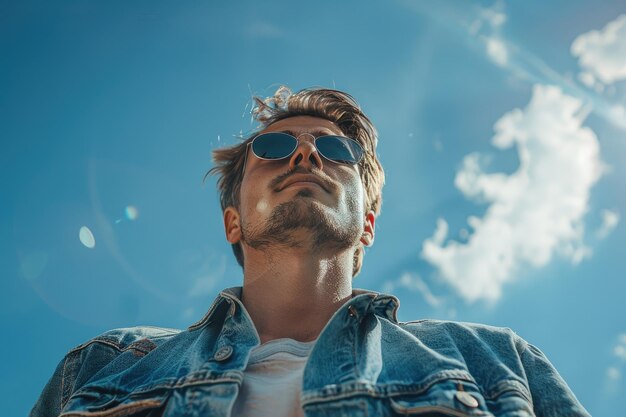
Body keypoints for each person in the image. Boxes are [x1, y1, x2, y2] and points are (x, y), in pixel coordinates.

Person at [31, 86, 590, 417]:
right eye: (273, 148)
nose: (305, 156)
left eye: (334, 148)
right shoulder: (104, 366)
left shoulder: (491, 360)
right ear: (233, 221)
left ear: (367, 224)